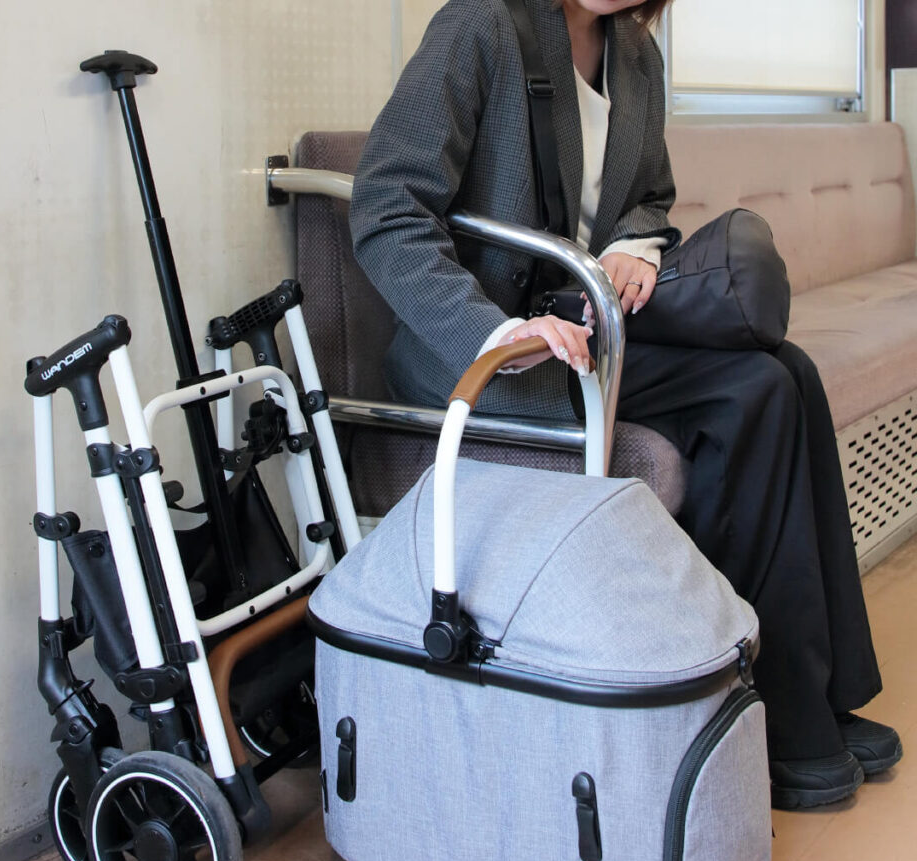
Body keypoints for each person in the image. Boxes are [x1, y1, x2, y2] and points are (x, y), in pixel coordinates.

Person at [349, 0, 903, 809]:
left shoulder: (638, 57)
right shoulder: (481, 23)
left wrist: (632, 246)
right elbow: (385, 207)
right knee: (750, 392)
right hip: (490, 355)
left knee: (789, 373)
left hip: (589, 333)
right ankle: (766, 714)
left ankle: (813, 690)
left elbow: (649, 197)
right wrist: (494, 332)